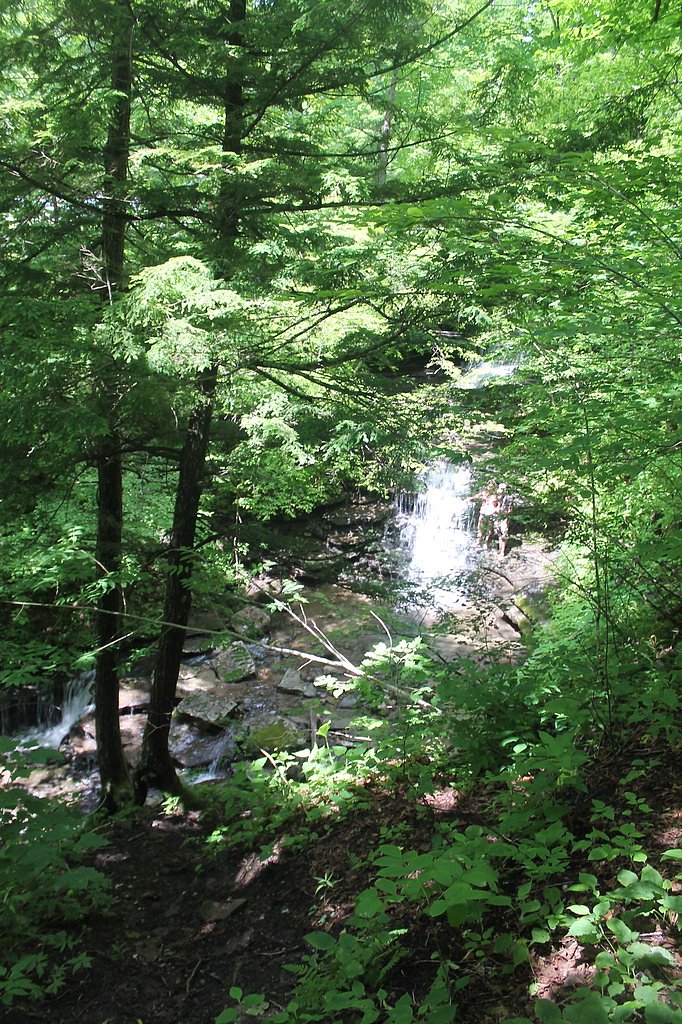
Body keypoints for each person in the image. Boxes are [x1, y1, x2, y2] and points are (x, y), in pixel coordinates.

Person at [494, 483, 514, 556]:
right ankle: (500, 549)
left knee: (504, 534)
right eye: (500, 488)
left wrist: (506, 516)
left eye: (502, 489)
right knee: (498, 533)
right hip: (498, 517)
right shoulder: (498, 497)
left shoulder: (509, 498)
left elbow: (510, 509)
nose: (500, 490)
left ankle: (502, 552)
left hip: (504, 517)